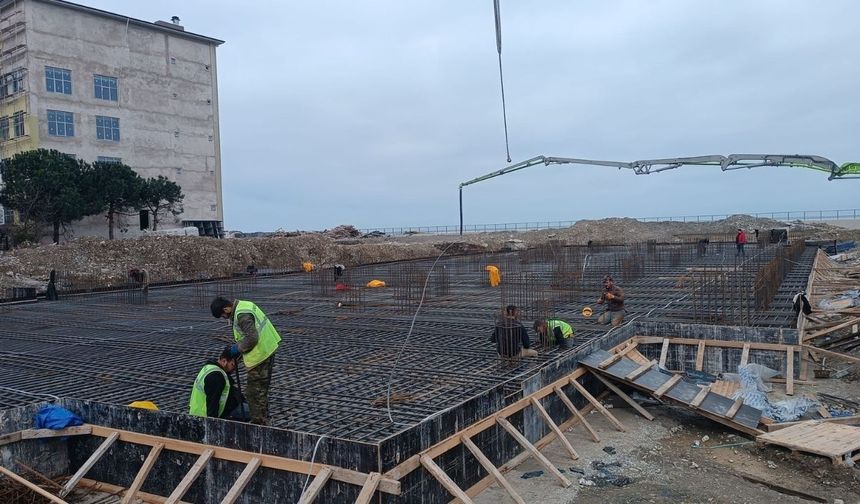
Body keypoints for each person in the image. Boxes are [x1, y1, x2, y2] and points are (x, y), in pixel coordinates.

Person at [210, 297, 282, 425]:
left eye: (223, 315)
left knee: (253, 393)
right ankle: (263, 419)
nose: (225, 318)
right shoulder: (245, 305)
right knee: (261, 390)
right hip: (267, 349)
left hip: (260, 355)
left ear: (226, 308)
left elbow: (252, 338)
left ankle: (259, 423)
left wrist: (236, 349)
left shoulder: (241, 315)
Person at [188, 346, 250, 421]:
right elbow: (212, 404)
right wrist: (213, 424)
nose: (234, 369)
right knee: (251, 414)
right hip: (203, 417)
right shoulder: (216, 377)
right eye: (233, 365)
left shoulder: (210, 367)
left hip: (198, 412)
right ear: (224, 361)